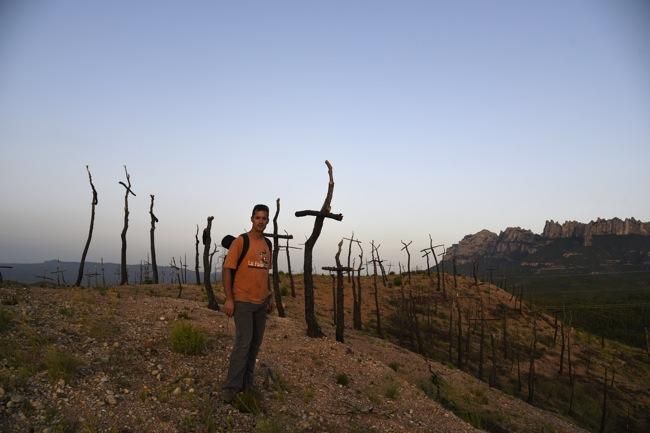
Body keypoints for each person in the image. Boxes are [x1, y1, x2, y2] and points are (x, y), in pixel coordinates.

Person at [221, 204, 275, 403]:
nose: (261, 221)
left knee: (255, 344)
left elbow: (264, 273)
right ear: (252, 219)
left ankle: (247, 384)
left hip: (261, 303)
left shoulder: (268, 245)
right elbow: (228, 269)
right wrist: (229, 298)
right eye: (258, 217)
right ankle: (231, 388)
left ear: (267, 221)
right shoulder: (241, 241)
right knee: (243, 343)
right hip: (242, 301)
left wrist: (270, 296)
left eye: (264, 218)